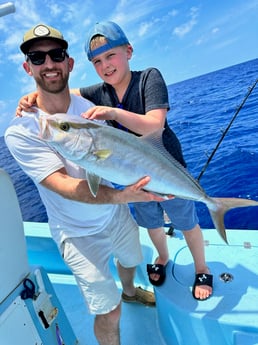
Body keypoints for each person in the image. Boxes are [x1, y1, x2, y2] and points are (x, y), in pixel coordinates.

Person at [16, 21, 213, 300]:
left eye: (111, 56)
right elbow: (62, 91)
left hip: (168, 170)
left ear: (129, 51)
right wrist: (32, 96)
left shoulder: (148, 78)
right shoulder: (100, 90)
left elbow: (154, 126)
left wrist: (114, 114)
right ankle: (162, 257)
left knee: (186, 222)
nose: (106, 66)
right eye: (97, 61)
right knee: (152, 225)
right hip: (137, 179)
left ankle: (201, 267)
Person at [6, 24, 167, 345]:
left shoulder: (91, 108)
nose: (48, 63)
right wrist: (123, 196)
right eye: (37, 57)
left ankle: (131, 291)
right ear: (28, 67)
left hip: (115, 214)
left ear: (69, 63)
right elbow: (62, 184)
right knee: (109, 313)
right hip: (76, 233)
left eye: (57, 55)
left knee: (132, 262)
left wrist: (127, 193)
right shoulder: (20, 131)